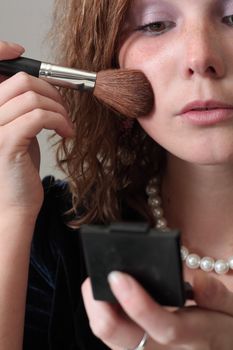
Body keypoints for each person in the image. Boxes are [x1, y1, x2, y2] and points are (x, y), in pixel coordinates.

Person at [1, 0, 233, 348]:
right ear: (110, 60)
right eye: (155, 24)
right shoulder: (53, 235)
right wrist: (11, 213)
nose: (200, 58)